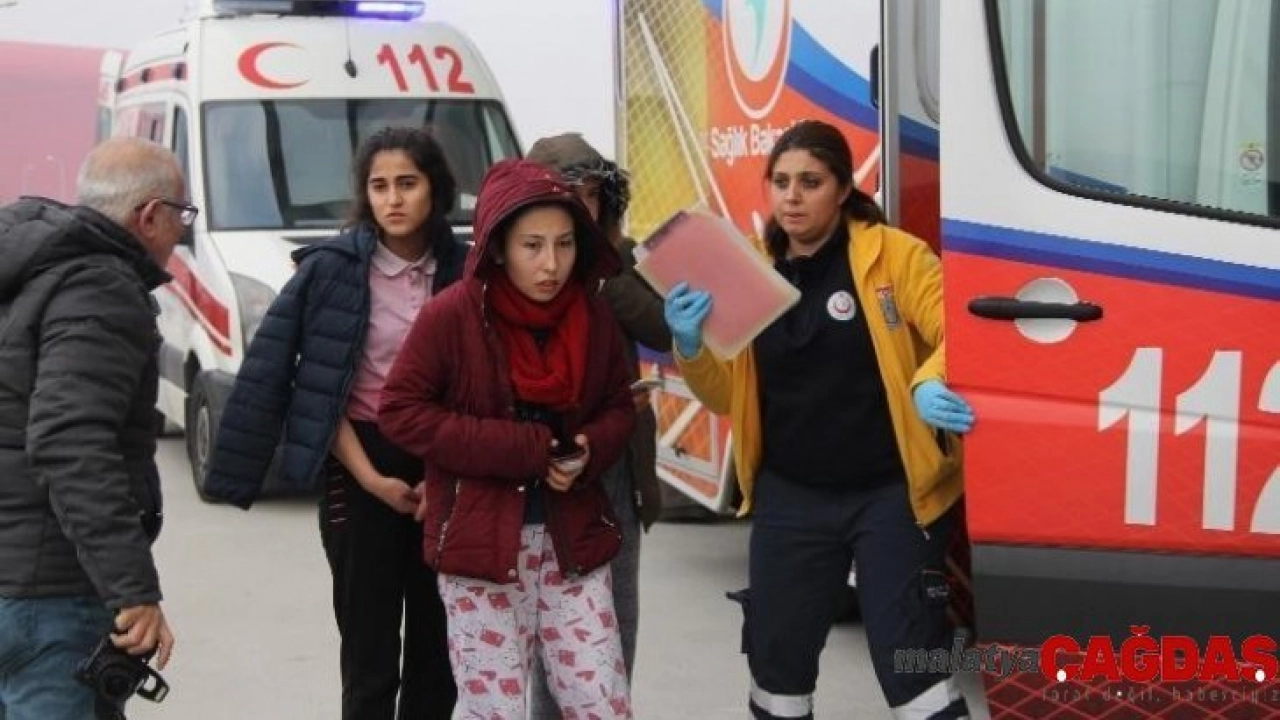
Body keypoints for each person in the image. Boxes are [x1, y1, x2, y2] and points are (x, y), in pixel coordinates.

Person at [664, 119, 974, 719]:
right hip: (791, 496)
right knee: (777, 667)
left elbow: (956, 330)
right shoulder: (749, 269)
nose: (792, 197)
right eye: (780, 182)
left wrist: (930, 379)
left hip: (891, 494)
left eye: (810, 182)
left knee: (912, 662)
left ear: (843, 189)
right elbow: (725, 395)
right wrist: (692, 346)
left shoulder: (893, 257)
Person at [202, 127, 462, 719]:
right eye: (379, 186)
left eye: (407, 183)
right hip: (358, 466)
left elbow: (483, 384)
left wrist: (443, 476)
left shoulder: (468, 272)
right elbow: (303, 384)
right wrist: (371, 479)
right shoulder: (331, 270)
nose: (393, 198)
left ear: (435, 190)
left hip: (447, 469)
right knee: (369, 656)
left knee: (438, 655)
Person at [379, 159, 636, 719]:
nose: (552, 264)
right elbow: (399, 411)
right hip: (481, 550)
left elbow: (620, 405)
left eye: (565, 244)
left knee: (602, 704)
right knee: (492, 711)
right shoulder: (451, 316)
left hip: (573, 543)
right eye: (533, 246)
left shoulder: (592, 315)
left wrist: (591, 448)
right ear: (497, 247)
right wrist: (521, 449)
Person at [0, 137, 181, 719]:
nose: (181, 233)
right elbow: (69, 438)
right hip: (48, 592)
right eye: (182, 215)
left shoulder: (24, 273)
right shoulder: (100, 288)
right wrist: (133, 590)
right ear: (149, 214)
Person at [524, 133, 670, 718]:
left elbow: (661, 328)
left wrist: (601, 272)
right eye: (566, 193)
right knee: (552, 647)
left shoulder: (619, 262)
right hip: (545, 475)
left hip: (615, 471)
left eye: (590, 194)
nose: (579, 206)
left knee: (614, 636)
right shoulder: (517, 264)